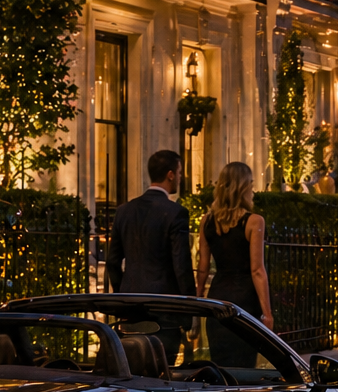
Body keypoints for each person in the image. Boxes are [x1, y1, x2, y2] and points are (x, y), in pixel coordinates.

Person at [105, 149, 196, 363]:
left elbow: (113, 262)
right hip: (164, 309)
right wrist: (190, 310)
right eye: (180, 172)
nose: (181, 177)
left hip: (130, 308)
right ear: (170, 174)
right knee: (161, 369)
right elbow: (181, 266)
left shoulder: (124, 211)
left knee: (131, 368)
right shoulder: (176, 213)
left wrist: (122, 295)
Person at [195, 161, 274, 368]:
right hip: (244, 302)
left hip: (218, 298)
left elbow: (203, 267)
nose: (253, 190)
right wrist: (267, 313)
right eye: (251, 185)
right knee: (244, 365)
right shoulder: (254, 222)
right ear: (243, 188)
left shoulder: (207, 221)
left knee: (220, 364)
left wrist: (197, 300)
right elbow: (257, 270)